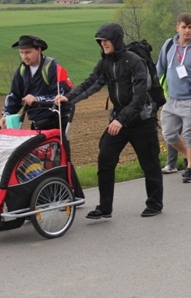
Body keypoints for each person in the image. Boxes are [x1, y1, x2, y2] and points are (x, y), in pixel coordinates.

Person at [54, 23, 163, 219]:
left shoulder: (135, 62)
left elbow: (139, 97)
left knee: (150, 164)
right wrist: (69, 98)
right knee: (105, 159)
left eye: (106, 40)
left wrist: (121, 120)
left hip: (142, 120)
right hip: (119, 120)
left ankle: (154, 204)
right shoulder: (105, 62)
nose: (103, 44)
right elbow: (91, 82)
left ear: (116, 40)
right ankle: (105, 207)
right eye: (100, 41)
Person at [156, 12, 191, 183]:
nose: (187, 31)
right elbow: (159, 68)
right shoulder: (168, 46)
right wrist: (148, 89)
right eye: (184, 27)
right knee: (169, 134)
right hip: (171, 100)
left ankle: (190, 170)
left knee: (189, 135)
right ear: (177, 28)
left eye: (190, 27)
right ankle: (190, 156)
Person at [0, 35, 73, 130]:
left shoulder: (53, 67)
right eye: (21, 53)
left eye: (28, 52)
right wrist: (6, 115)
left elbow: (63, 95)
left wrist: (37, 99)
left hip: (56, 123)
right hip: (36, 124)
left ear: (39, 50)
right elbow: (15, 95)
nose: (24, 56)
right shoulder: (22, 69)